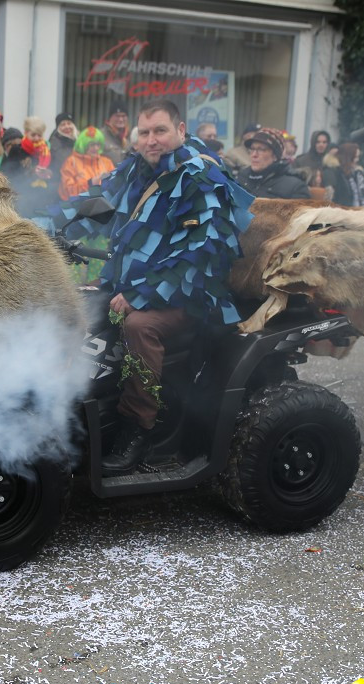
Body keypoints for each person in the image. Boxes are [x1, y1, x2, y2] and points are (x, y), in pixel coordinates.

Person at [53, 100, 253, 473]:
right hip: (131, 285)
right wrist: (38, 231)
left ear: (180, 130)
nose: (151, 140)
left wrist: (140, 294)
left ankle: (138, 427)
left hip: (189, 296)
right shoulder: (135, 171)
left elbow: (201, 255)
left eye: (160, 131)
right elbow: (93, 206)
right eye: (144, 132)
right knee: (73, 308)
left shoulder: (200, 177)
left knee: (138, 327)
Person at [235, 127, 311, 200]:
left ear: (275, 156)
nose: (254, 154)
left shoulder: (295, 187)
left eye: (261, 149)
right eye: (252, 149)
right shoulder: (241, 177)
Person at [59, 126, 114, 201]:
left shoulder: (106, 162)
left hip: (104, 205)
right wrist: (90, 183)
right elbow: (67, 191)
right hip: (78, 207)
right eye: (92, 145)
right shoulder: (71, 162)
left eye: (98, 144)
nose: (96, 148)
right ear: (83, 145)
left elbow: (115, 185)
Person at [328, 142, 364, 207]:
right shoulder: (336, 174)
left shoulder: (356, 173)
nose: (357, 160)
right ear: (348, 157)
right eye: (355, 157)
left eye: (358, 157)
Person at [48, 112, 78, 178]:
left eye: (69, 123)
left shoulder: (78, 138)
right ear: (58, 128)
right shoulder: (55, 141)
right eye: (63, 124)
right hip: (60, 178)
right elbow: (62, 160)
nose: (67, 127)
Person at [102, 100, 131, 165]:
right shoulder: (100, 136)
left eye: (123, 116)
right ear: (110, 118)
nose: (120, 119)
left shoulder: (132, 136)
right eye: (117, 116)